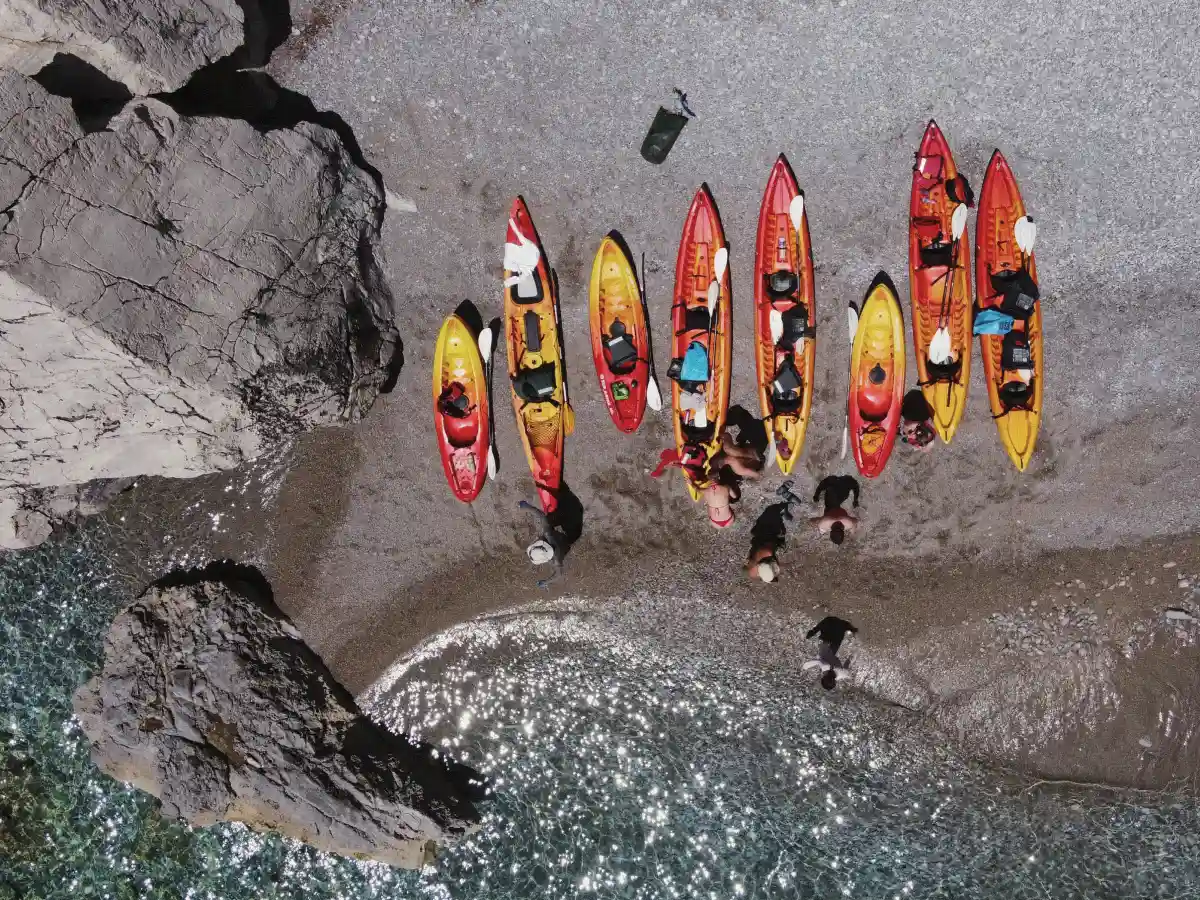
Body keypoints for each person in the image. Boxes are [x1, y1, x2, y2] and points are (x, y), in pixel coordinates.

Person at [519, 485, 583, 588]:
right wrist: (526, 507)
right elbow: (541, 516)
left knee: (552, 523)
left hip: (572, 538)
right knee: (549, 520)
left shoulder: (556, 560)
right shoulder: (548, 534)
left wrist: (545, 582)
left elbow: (559, 574)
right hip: (566, 528)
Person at [804, 616, 858, 690]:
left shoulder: (843, 673)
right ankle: (842, 626)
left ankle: (845, 626)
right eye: (823, 676)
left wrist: (854, 653)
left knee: (836, 635)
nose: (823, 674)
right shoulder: (825, 667)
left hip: (830, 652)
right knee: (829, 624)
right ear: (823, 677)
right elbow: (817, 662)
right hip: (826, 649)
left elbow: (849, 660)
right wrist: (805, 666)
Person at [810, 475, 859, 545]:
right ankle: (818, 493)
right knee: (829, 486)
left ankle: (818, 493)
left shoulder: (847, 522)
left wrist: (852, 532)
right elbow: (812, 521)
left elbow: (856, 521)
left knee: (850, 483)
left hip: (838, 493)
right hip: (834, 497)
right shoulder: (826, 521)